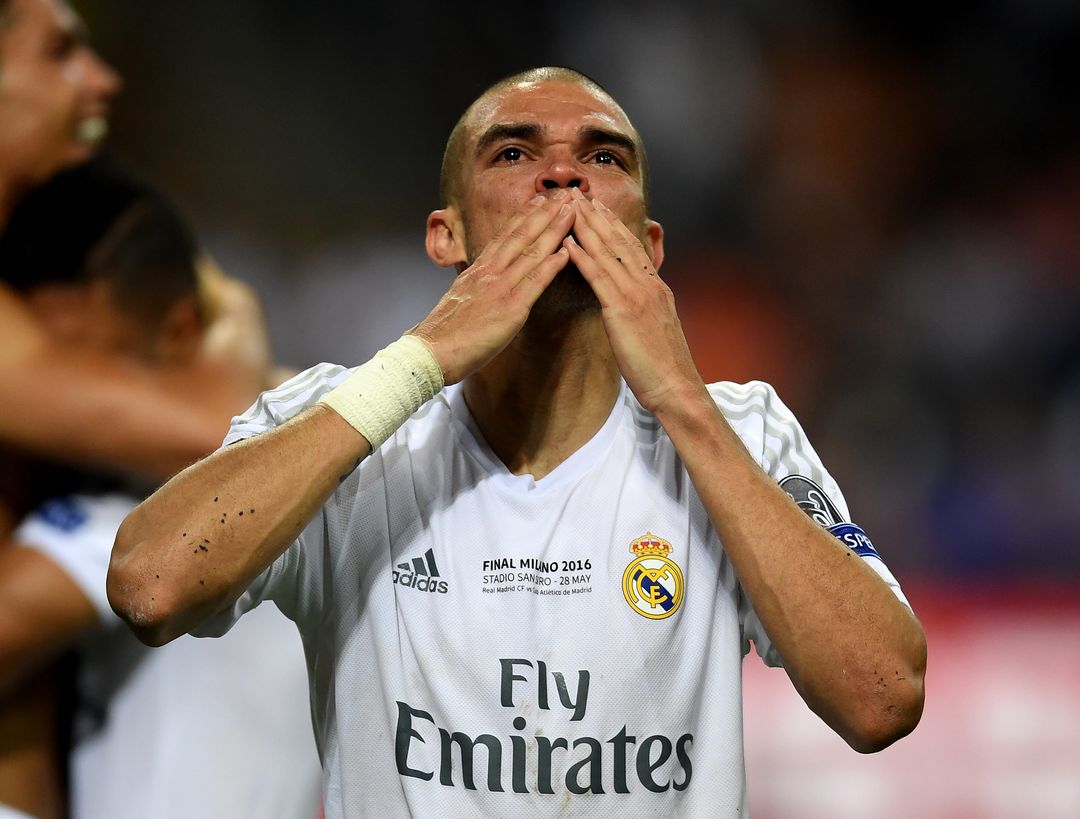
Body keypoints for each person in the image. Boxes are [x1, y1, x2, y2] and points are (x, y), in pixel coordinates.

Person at [110, 66, 927, 816]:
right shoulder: (351, 422)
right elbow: (150, 585)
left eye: (604, 158)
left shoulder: (739, 430)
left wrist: (682, 399)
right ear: (448, 238)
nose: (563, 175)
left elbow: (882, 697)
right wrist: (422, 360)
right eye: (513, 152)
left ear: (648, 248)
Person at [0, 159, 321, 819]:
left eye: (88, 364)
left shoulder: (173, 502)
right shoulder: (302, 439)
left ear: (179, 331)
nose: (69, 399)